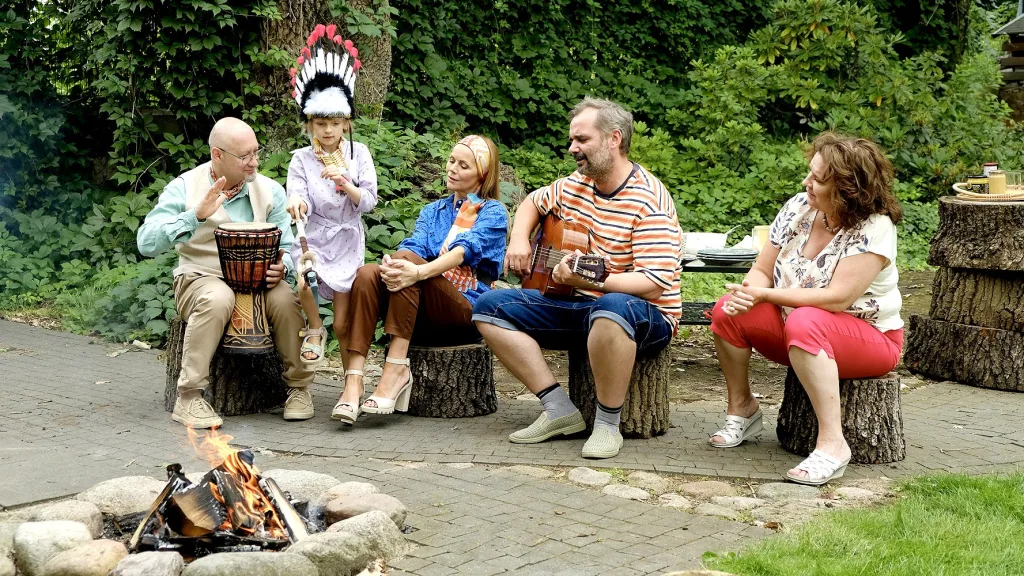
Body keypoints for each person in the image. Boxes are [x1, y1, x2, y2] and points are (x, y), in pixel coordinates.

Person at [473, 97, 683, 460]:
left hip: (646, 316)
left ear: (613, 139)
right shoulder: (577, 183)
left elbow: (653, 281)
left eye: (582, 140)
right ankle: (558, 409)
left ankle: (606, 424)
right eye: (572, 140)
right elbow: (533, 203)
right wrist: (520, 239)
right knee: (488, 306)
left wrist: (586, 281)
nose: (573, 148)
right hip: (579, 307)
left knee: (611, 306)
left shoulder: (649, 200)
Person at [708, 132, 904, 486]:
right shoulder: (799, 206)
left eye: (817, 179)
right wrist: (749, 293)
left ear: (846, 189)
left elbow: (837, 299)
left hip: (872, 340)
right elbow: (762, 270)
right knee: (727, 310)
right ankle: (743, 408)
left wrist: (767, 298)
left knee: (806, 320)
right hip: (798, 328)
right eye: (809, 172)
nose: (806, 182)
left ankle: (833, 445)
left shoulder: (875, 227)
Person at [137, 117, 315, 429]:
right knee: (219, 298)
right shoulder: (185, 187)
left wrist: (282, 267)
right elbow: (146, 242)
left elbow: (289, 244)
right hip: (199, 277)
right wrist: (195, 215)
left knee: (287, 302)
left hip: (259, 281)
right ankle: (189, 397)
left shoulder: (270, 190)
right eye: (245, 156)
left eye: (256, 153)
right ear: (217, 155)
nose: (254, 162)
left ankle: (299, 389)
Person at [333, 135, 508, 424]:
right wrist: (394, 263)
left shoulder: (493, 212)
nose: (452, 168)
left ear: (483, 174)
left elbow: (464, 251)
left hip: (463, 314)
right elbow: (414, 246)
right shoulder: (434, 210)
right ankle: (354, 381)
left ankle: (396, 369)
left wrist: (416, 270)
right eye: (452, 161)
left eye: (463, 165)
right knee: (367, 273)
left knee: (409, 266)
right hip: (422, 310)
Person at [284, 23, 378, 372]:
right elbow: (297, 193)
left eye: (334, 123)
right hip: (315, 235)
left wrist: (346, 182)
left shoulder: (360, 154)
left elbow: (368, 200)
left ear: (346, 124)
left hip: (347, 238)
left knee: (343, 321)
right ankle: (313, 328)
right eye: (320, 123)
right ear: (310, 124)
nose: (327, 130)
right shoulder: (300, 159)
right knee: (304, 276)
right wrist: (297, 204)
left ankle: (347, 375)